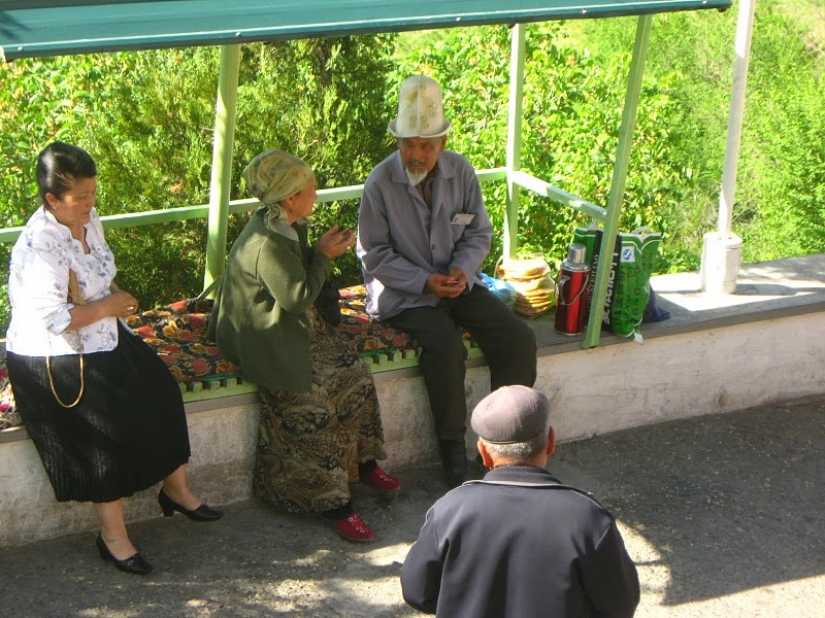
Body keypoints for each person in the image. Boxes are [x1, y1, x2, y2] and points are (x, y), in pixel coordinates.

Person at [5, 141, 222, 576]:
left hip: (104, 335)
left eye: (92, 193)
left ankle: (176, 490)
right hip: (51, 356)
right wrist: (109, 306)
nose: (90, 204)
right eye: (80, 197)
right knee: (107, 424)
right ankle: (113, 538)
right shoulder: (40, 245)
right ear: (52, 200)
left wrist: (113, 303)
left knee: (160, 389)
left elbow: (101, 274)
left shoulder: (87, 218)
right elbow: (55, 320)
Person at [207, 148, 400, 543]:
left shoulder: (287, 224)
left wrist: (317, 252)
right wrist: (325, 258)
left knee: (355, 374)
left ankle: (362, 464)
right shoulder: (268, 242)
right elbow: (296, 297)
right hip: (265, 338)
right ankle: (334, 505)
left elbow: (295, 286)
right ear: (290, 196)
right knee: (314, 403)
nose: (315, 189)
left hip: (292, 326)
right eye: (308, 185)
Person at [357, 75, 538, 487]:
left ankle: (505, 441)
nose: (415, 154)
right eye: (408, 145)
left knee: (517, 338)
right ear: (397, 143)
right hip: (403, 292)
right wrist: (425, 281)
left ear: (442, 142)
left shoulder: (461, 171)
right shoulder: (379, 183)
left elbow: (478, 233)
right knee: (445, 346)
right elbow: (374, 253)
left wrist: (462, 270)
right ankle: (452, 449)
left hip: (457, 282)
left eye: (425, 145)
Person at [401, 385, 640, 617]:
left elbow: (418, 593)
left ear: (483, 452)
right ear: (551, 442)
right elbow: (619, 605)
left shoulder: (450, 509)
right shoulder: (588, 518)